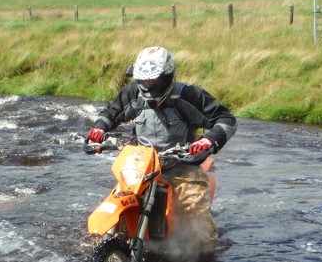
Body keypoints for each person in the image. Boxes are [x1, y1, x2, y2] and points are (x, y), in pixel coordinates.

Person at [86, 46, 237, 250]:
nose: (148, 85)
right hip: (141, 168)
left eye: (154, 80)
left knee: (197, 222)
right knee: (118, 203)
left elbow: (226, 119)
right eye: (143, 80)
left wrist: (208, 140)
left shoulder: (188, 95)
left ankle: (206, 259)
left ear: (167, 76)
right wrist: (99, 128)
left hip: (182, 167)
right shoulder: (133, 93)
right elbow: (111, 113)